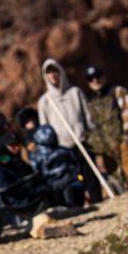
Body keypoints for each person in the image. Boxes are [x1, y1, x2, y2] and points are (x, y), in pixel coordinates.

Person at [37, 59, 99, 202]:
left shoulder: (75, 92)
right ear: (45, 76)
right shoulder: (45, 101)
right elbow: (44, 130)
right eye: (49, 72)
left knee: (90, 177)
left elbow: (88, 117)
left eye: (55, 71)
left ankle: (98, 202)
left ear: (60, 72)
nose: (52, 75)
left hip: (82, 142)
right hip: (61, 149)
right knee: (70, 182)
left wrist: (92, 137)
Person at [30, 125, 85, 209]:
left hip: (68, 181)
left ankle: (73, 206)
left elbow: (76, 165)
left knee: (75, 183)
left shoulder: (64, 151)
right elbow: (36, 173)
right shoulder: (37, 156)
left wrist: (75, 176)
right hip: (50, 184)